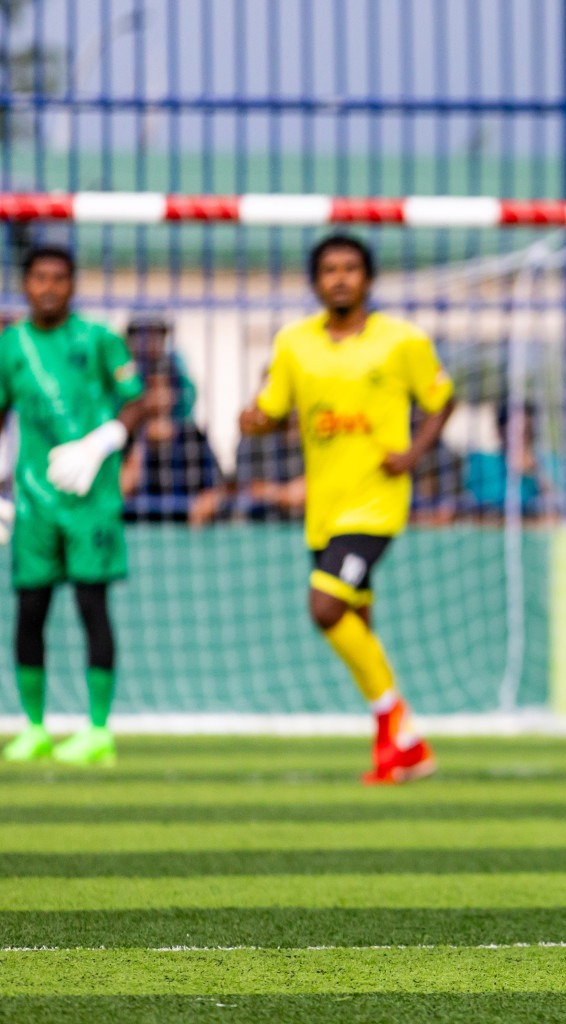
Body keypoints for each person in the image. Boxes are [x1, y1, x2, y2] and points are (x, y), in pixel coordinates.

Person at [239, 235, 456, 785]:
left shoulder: (401, 340)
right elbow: (270, 408)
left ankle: (399, 726)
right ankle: (399, 749)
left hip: (377, 504)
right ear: (316, 282)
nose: (340, 278)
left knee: (325, 608)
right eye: (330, 270)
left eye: (350, 269)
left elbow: (441, 399)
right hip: (324, 507)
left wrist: (411, 454)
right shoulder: (294, 344)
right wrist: (254, 420)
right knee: (354, 620)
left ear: (368, 278)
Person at [0, 246, 148, 766]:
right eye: (39, 278)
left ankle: (99, 730)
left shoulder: (99, 339)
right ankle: (34, 727)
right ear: (26, 284)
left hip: (92, 500)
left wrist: (104, 440)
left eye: (59, 279)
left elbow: (139, 399)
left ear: (72, 285)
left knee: (93, 609)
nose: (48, 287)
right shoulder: (10, 344)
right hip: (35, 503)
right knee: (29, 613)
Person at [119, 369, 224, 527]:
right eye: (152, 388)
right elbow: (122, 490)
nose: (158, 396)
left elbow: (217, 487)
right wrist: (141, 445)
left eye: (164, 388)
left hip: (187, 530)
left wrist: (207, 502)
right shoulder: (129, 438)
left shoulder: (192, 437)